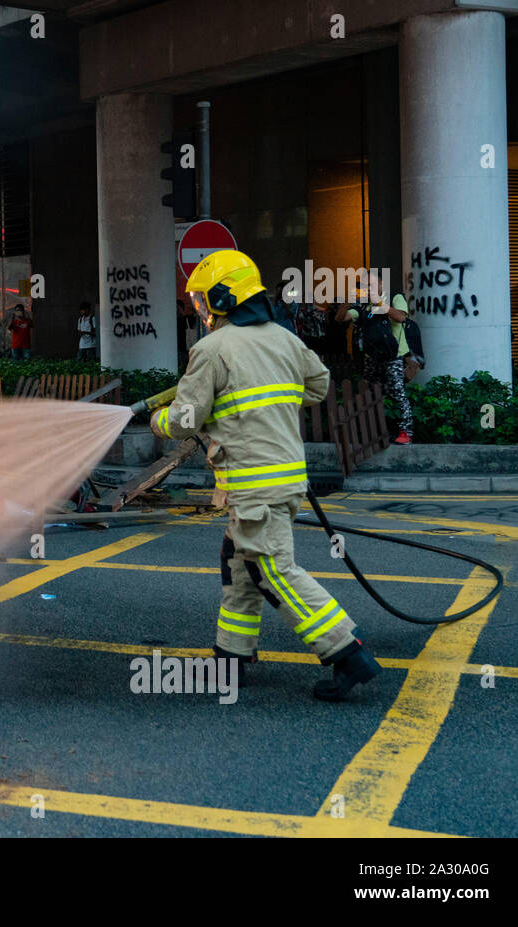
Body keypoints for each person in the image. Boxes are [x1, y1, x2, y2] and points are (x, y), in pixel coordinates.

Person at [150, 249, 380, 702]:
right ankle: (232, 658)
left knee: (275, 570)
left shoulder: (212, 349)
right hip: (285, 478)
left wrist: (159, 420)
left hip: (254, 483)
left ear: (222, 296)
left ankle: (346, 652)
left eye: (203, 299)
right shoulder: (283, 338)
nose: (201, 309)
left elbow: (184, 420)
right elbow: (318, 384)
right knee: (241, 566)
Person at [337, 289, 414, 445]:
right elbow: (341, 319)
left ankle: (406, 431)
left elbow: (400, 317)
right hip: (372, 356)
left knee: (397, 392)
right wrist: (347, 302)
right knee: (371, 393)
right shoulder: (363, 306)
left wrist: (379, 302)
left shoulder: (394, 297)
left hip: (393, 355)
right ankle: (375, 431)